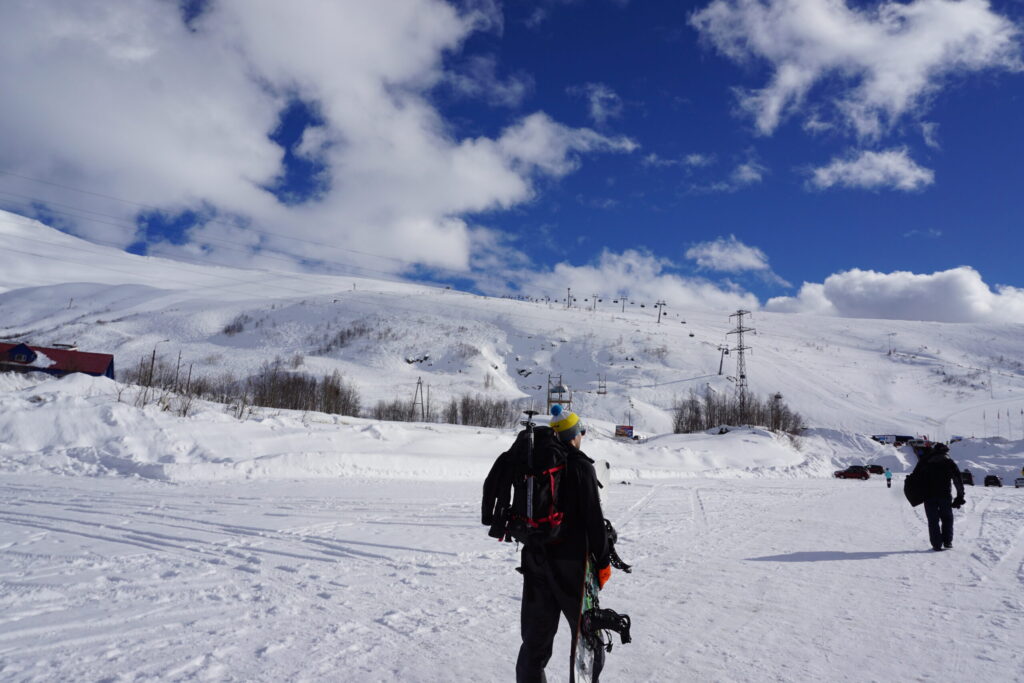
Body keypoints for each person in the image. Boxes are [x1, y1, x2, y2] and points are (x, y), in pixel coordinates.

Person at [516, 407, 610, 683]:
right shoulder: (581, 466)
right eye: (580, 432)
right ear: (574, 435)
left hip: (535, 559)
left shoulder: (535, 464)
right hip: (572, 567)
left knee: (534, 643)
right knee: (586, 639)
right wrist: (603, 563)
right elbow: (594, 520)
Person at [910, 442, 965, 551]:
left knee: (933, 520)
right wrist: (960, 496)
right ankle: (947, 542)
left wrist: (915, 494)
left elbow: (914, 478)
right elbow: (957, 480)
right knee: (947, 518)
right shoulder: (949, 462)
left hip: (928, 496)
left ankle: (936, 544)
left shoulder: (924, 461)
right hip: (944, 495)